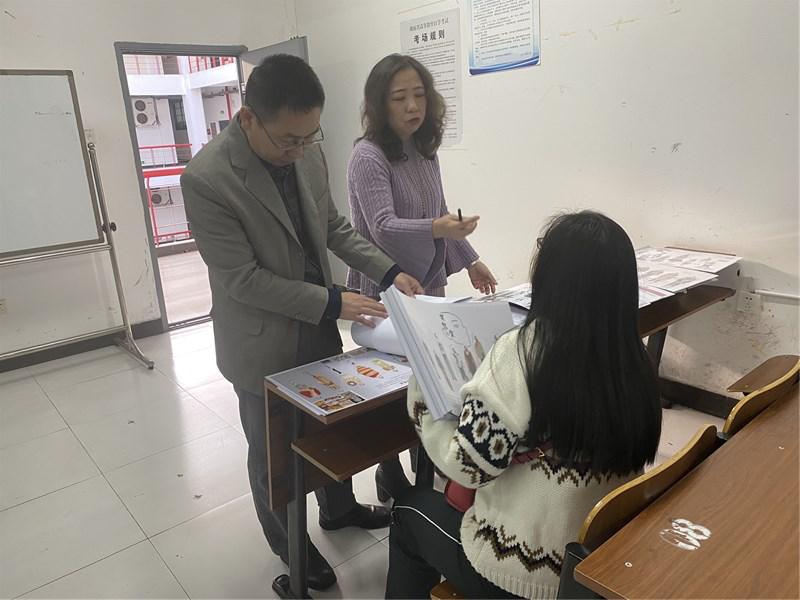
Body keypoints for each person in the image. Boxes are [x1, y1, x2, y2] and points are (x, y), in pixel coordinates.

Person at [181, 54, 424, 591]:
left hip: (316, 321)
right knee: (272, 450)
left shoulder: (307, 151)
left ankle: (339, 510)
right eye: (290, 140)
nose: (301, 149)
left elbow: (334, 227)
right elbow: (243, 280)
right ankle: (290, 545)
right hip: (260, 341)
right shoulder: (207, 179)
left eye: (311, 136)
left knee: (330, 426)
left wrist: (388, 271)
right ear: (248, 119)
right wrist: (335, 302)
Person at [385, 211, 663, 599]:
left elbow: (467, 467)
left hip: (522, 575)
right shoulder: (633, 357)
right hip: (596, 565)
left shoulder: (522, 351)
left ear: (553, 276)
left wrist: (424, 397)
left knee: (409, 511)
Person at [346, 54, 498, 501]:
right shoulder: (367, 155)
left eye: (419, 95)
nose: (413, 106)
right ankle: (389, 469)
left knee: (433, 378)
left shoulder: (424, 149)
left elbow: (441, 213)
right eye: (400, 98)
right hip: (384, 286)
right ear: (380, 104)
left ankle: (425, 466)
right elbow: (382, 226)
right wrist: (438, 228)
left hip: (426, 283)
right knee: (392, 385)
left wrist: (470, 259)